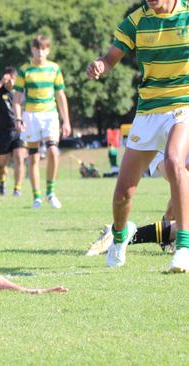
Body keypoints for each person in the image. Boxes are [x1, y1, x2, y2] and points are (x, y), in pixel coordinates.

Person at [86, 0, 189, 271]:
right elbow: (111, 58)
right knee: (123, 193)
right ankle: (119, 237)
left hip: (183, 105)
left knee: (175, 161)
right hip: (148, 112)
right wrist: (100, 65)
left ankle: (183, 249)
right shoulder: (136, 20)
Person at [86, 150, 189, 256]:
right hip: (166, 144)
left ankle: (120, 237)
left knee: (183, 188)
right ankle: (120, 236)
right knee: (184, 182)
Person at [13, 35, 72, 209]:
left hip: (50, 116)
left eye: (43, 48)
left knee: (54, 151)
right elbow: (17, 97)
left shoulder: (54, 69)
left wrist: (66, 121)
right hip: (31, 115)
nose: (40, 52)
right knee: (33, 157)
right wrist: (18, 118)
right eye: (37, 48)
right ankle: (37, 197)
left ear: (48, 50)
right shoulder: (25, 70)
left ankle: (51, 192)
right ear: (32, 49)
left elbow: (61, 96)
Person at [0, 67, 27, 196]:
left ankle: (17, 189)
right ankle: (2, 182)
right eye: (8, 78)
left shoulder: (21, 92)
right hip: (3, 131)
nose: (11, 81)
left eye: (12, 78)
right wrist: (1, 82)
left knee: (19, 158)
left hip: (19, 129)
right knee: (1, 164)